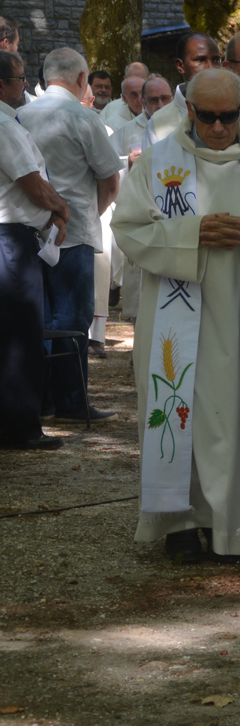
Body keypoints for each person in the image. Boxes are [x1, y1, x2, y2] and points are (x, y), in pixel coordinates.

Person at [114, 68, 240, 563]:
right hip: (176, 317)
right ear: (190, 110)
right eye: (208, 116)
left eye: (229, 116)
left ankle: (236, 527)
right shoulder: (158, 162)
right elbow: (128, 228)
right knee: (181, 408)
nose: (218, 127)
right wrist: (191, 234)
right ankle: (180, 522)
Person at [17, 48, 123, 422]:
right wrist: (91, 215)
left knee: (39, 318)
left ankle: (42, 398)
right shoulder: (83, 117)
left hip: (30, 229)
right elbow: (110, 179)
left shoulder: (19, 115)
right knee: (74, 319)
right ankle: (71, 400)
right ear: (82, 80)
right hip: (74, 231)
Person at [0, 49, 68, 450]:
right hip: (10, 238)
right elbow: (32, 184)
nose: (25, 84)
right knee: (21, 333)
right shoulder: (4, 125)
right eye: (19, 78)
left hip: (11, 235)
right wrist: (61, 208)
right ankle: (21, 427)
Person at [150, 32, 222, 144]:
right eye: (200, 60)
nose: (211, 68)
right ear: (180, 66)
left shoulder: (237, 111)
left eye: (216, 60)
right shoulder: (157, 123)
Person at [100, 63, 148, 131]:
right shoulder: (110, 113)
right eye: (132, 79)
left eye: (142, 79)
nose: (139, 99)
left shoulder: (156, 109)